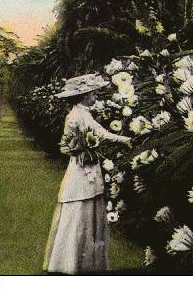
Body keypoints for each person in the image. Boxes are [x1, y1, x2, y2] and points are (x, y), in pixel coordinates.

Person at [43, 73, 131, 274]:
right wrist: (81, 150)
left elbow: (100, 133)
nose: (96, 98)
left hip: (87, 165)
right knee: (80, 209)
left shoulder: (83, 114)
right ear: (84, 96)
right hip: (81, 168)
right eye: (94, 95)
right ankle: (71, 262)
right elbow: (67, 145)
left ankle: (86, 263)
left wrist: (122, 140)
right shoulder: (75, 115)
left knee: (88, 208)